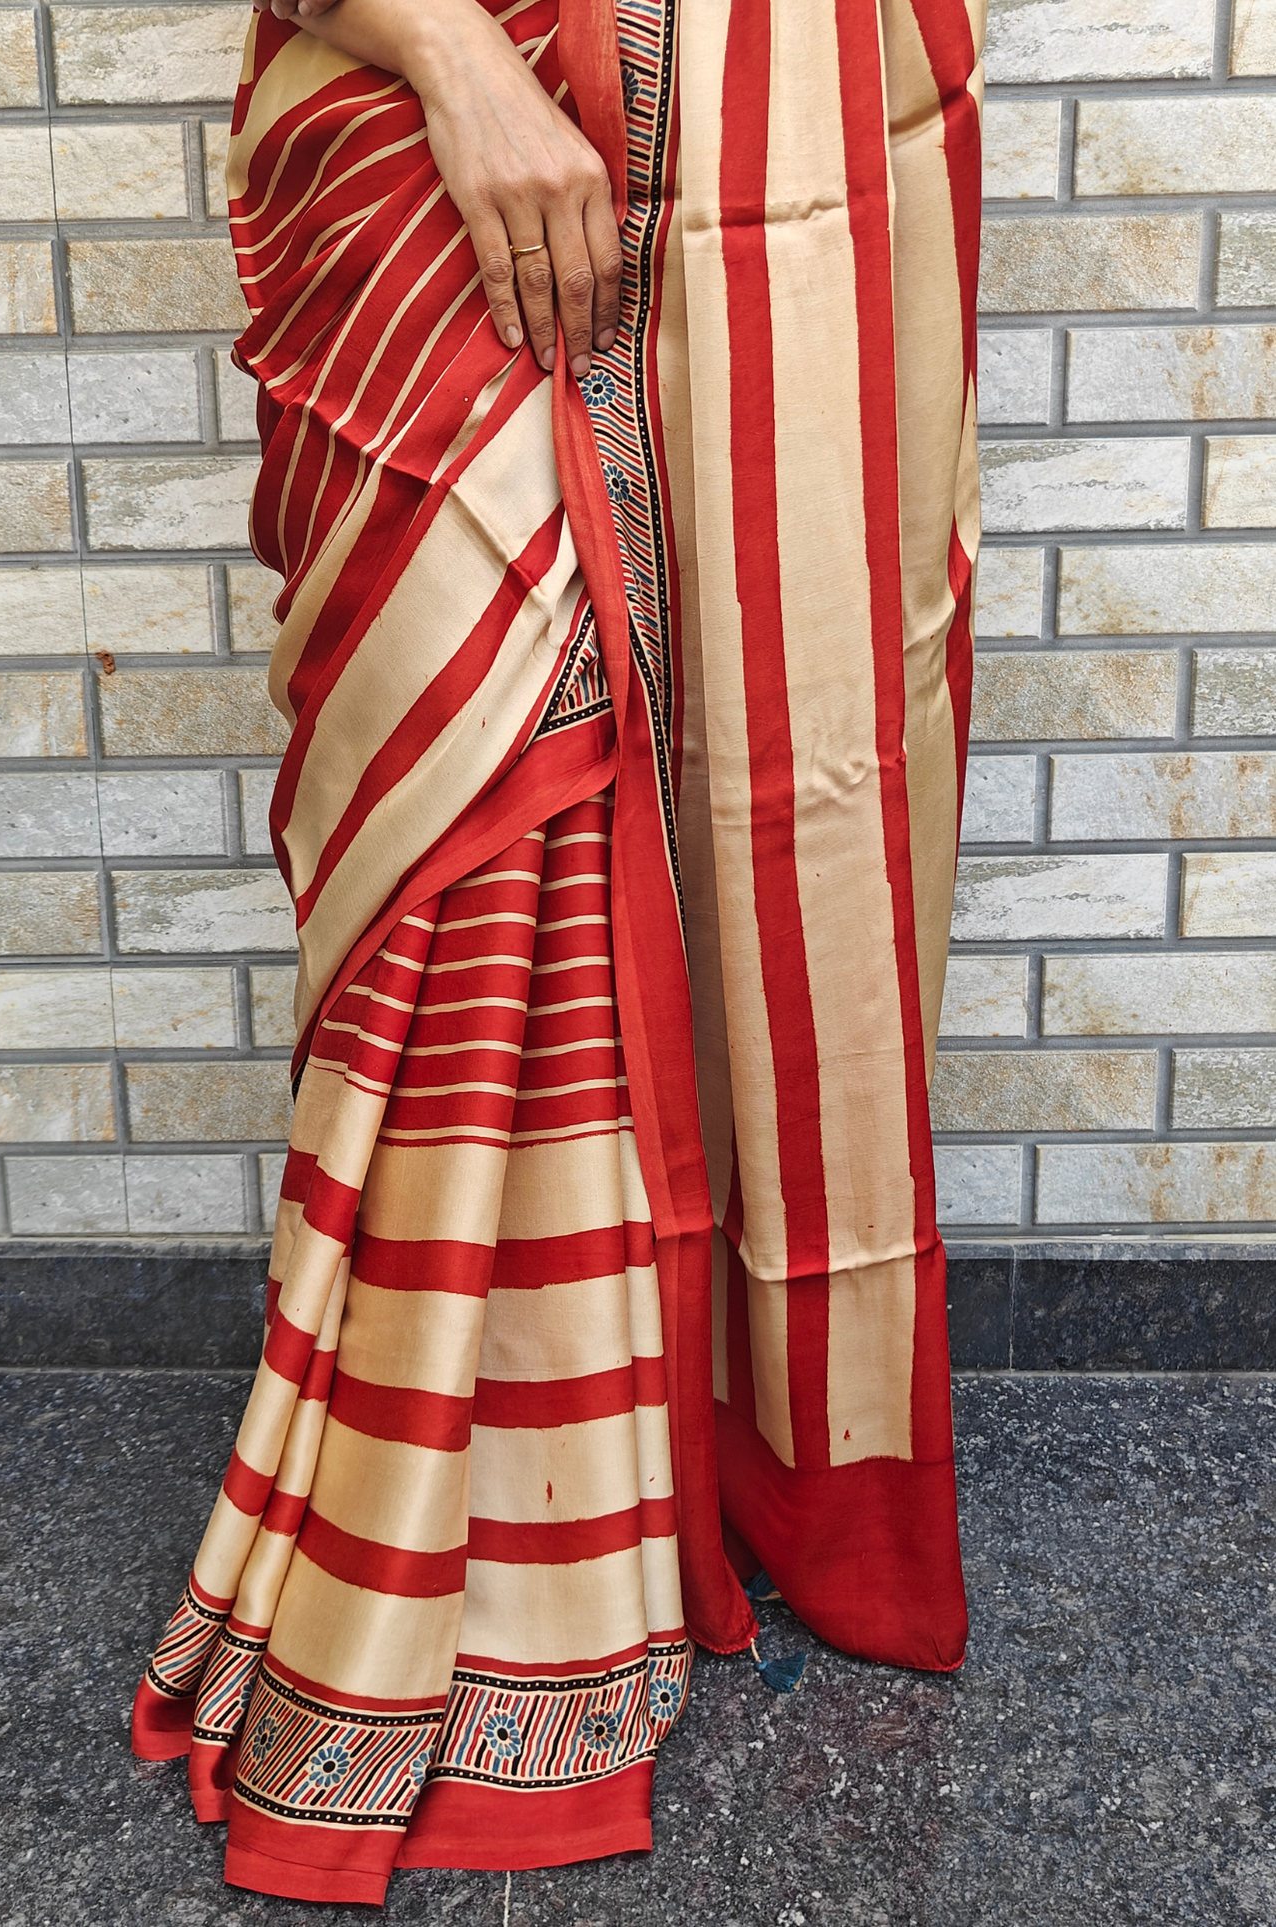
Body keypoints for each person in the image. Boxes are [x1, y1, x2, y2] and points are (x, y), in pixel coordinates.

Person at [131, 0, 982, 1903]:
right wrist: (455, 60)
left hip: (741, 181)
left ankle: (647, 1471)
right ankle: (464, 1551)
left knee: (675, 780)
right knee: (496, 754)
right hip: (436, 130)